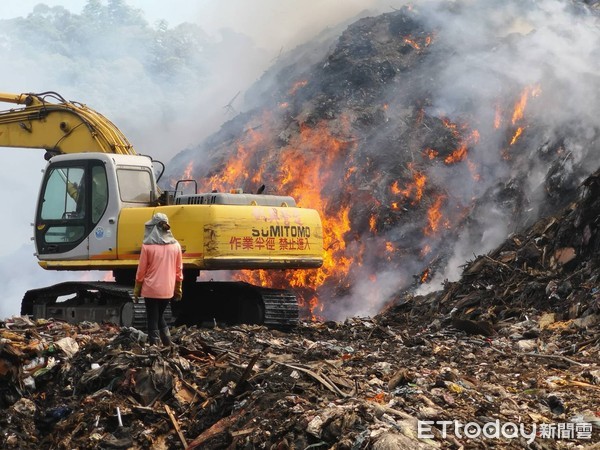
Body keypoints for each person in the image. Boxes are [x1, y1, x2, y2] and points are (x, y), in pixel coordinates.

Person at [133, 212, 183, 346]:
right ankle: (167, 342)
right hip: (168, 289)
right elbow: (179, 270)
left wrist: (137, 289)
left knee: (152, 317)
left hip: (150, 289)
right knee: (159, 315)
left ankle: (154, 345)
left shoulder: (147, 247)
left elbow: (141, 271)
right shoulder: (176, 246)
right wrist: (178, 288)